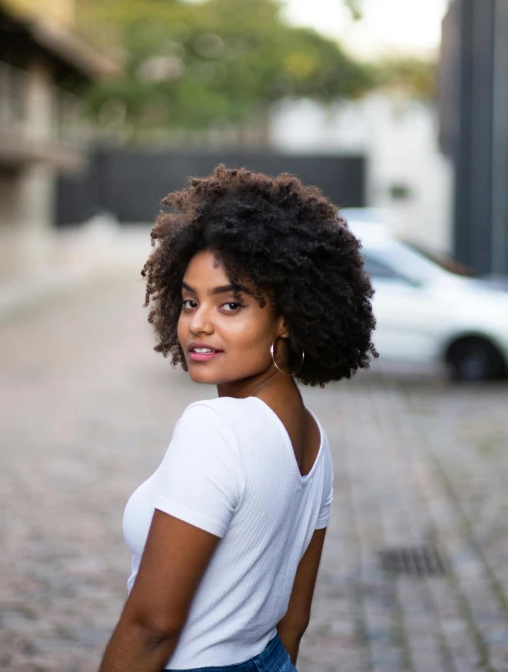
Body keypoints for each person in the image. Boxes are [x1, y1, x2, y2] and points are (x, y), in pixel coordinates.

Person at [99, 165, 377, 672]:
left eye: (231, 303)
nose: (198, 323)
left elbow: (153, 626)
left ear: (288, 316)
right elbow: (294, 619)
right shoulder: (313, 440)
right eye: (188, 301)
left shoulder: (216, 428)